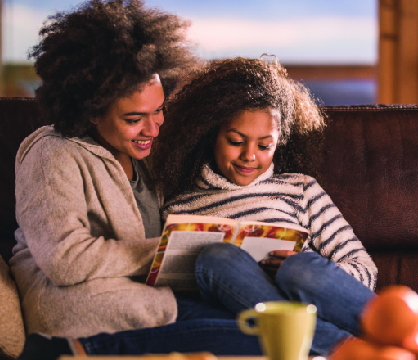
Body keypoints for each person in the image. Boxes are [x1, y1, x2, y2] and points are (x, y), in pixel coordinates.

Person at [13, 1, 265, 358]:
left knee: (272, 326)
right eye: (135, 118)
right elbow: (65, 261)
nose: (153, 128)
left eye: (159, 109)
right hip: (85, 310)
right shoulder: (52, 155)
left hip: (152, 301)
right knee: (265, 338)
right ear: (92, 111)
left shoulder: (146, 155)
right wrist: (170, 250)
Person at [148, 56, 378, 355]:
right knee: (218, 258)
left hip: (320, 304)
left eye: (264, 145)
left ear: (279, 141)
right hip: (241, 316)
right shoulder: (177, 204)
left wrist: (294, 274)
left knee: (299, 269)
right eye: (235, 141)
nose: (249, 155)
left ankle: (338, 344)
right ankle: (349, 350)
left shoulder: (300, 188)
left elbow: (365, 271)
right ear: (210, 134)